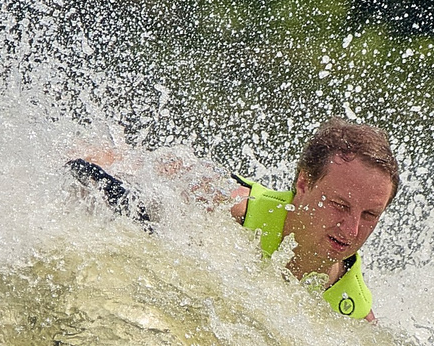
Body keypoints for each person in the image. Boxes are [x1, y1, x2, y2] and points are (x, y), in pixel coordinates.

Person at [68, 118, 400, 322]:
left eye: (370, 214)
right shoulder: (232, 208)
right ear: (303, 183)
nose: (352, 229)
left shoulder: (353, 312)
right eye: (340, 205)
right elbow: (134, 166)